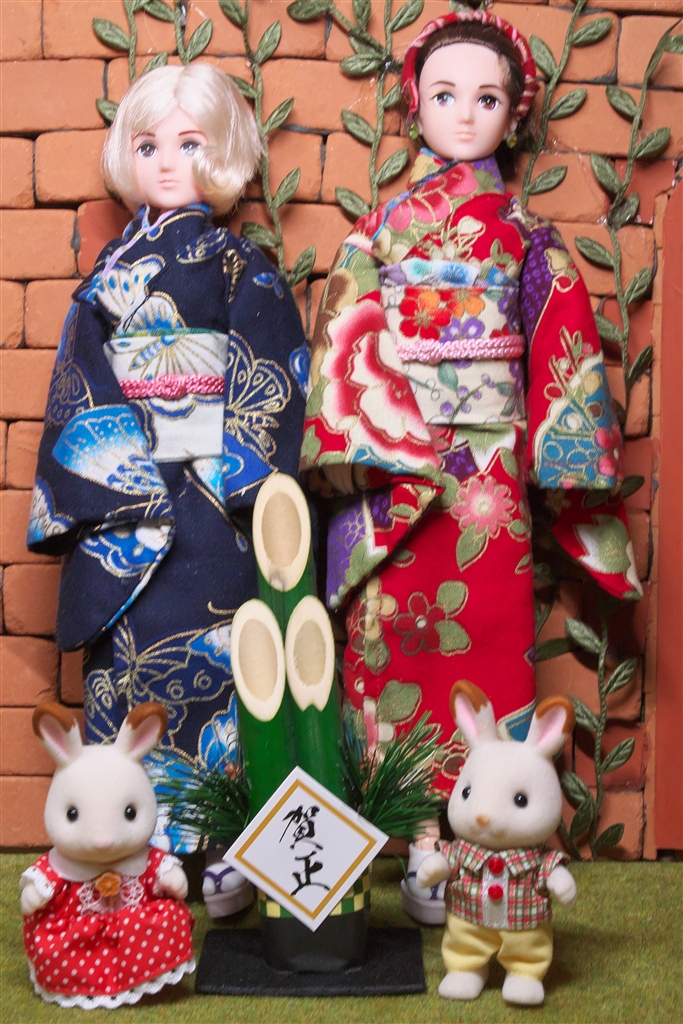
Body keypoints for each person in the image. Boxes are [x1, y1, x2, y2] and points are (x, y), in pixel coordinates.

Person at [300, 9, 640, 924]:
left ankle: (479, 836)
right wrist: (387, 438)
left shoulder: (527, 236)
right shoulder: (378, 232)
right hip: (402, 470)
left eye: (486, 98)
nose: (463, 113)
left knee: (488, 645)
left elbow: (561, 345)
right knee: (387, 650)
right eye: (444, 93)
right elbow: (348, 338)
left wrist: (554, 454)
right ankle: (411, 835)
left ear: (514, 114)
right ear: (413, 103)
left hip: (488, 475)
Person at [27, 63, 308, 916]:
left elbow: (271, 374)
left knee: (224, 666)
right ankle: (132, 845)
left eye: (189, 145)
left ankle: (221, 845)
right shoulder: (110, 271)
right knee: (129, 673)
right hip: (131, 505)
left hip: (214, 505)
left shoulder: (240, 266)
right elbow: (80, 385)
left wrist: (234, 481)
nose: (165, 162)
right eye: (148, 145)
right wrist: (126, 485)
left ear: (222, 154)